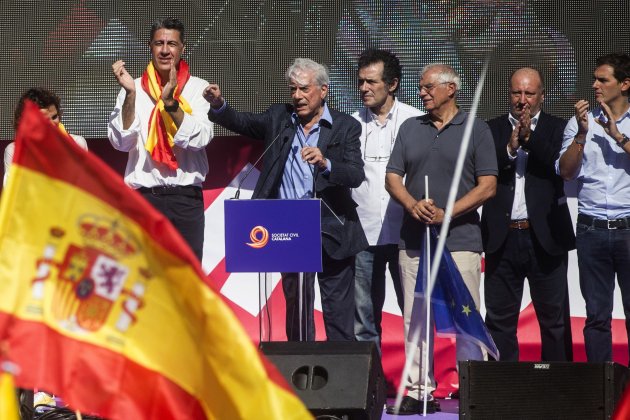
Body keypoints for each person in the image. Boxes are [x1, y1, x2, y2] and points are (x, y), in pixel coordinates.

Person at [204, 57, 367, 341]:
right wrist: (219, 105)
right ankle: (301, 377)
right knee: (297, 310)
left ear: (323, 90)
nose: (297, 96)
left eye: (304, 89)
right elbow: (243, 122)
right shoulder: (280, 118)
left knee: (338, 313)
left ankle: (342, 380)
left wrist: (326, 163)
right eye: (293, 89)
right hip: (288, 229)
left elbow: (354, 174)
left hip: (332, 229)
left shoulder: (345, 126)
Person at [385, 63, 497, 414]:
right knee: (416, 317)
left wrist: (448, 212)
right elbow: (392, 178)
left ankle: (473, 387)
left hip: (460, 240)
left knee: (466, 314)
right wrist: (411, 205)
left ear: (451, 89)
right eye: (421, 87)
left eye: (429, 87)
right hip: (415, 241)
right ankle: (419, 389)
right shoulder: (409, 127)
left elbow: (488, 186)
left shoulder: (475, 129)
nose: (422, 93)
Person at [481, 67, 575, 362]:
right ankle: (504, 390)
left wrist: (529, 138)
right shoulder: (491, 128)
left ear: (542, 97)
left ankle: (558, 390)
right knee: (499, 320)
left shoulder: (559, 128)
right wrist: (510, 148)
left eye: (529, 93)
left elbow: (561, 167)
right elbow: (482, 172)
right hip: (502, 236)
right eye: (516, 93)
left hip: (545, 236)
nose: (522, 100)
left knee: (554, 320)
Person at [108, 17, 214, 261]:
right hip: (145, 199)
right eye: (159, 43)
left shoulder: (198, 88)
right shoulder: (131, 87)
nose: (165, 50)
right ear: (150, 47)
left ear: (183, 48)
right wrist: (131, 96)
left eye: (172, 44)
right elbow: (120, 142)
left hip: (186, 200)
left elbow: (201, 139)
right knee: (146, 281)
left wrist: (170, 105)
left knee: (188, 281)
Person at [557, 53, 630, 362]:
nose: (595, 85)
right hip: (591, 228)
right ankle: (604, 389)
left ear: (625, 84)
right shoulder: (580, 124)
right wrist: (583, 135)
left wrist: (619, 137)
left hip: (628, 227)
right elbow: (566, 171)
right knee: (596, 315)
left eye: (603, 80)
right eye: (595, 79)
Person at [352, 49, 423, 349]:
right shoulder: (350, 124)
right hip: (363, 234)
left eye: (371, 82)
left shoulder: (416, 121)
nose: (364, 88)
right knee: (364, 319)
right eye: (361, 82)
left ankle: (418, 388)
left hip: (406, 234)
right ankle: (371, 388)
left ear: (392, 84)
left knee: (415, 315)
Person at [4, 88, 88, 186]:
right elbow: (12, 191)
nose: (52, 124)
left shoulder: (77, 143)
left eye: (54, 117)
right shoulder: (14, 150)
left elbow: (82, 188)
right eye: (44, 120)